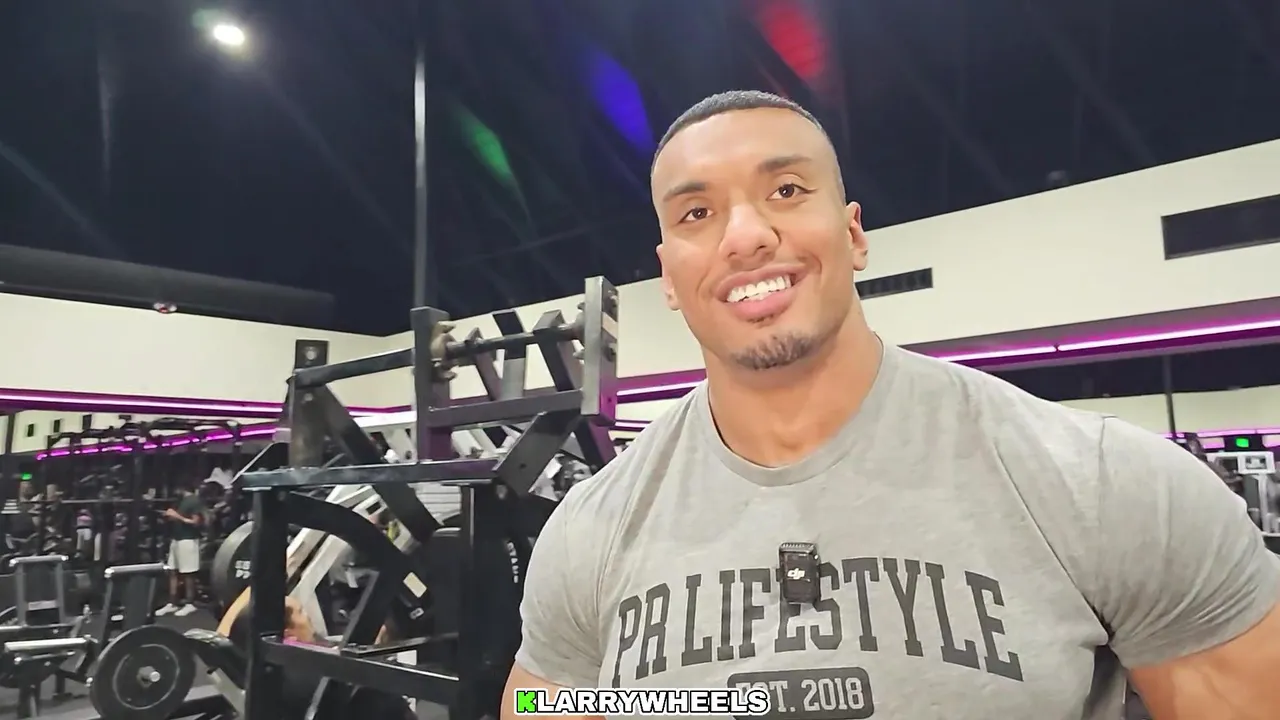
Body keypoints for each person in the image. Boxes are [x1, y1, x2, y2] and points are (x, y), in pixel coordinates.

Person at [503, 90, 1280, 719]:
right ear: (669, 276)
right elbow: (543, 703)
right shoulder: (589, 532)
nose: (745, 235)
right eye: (696, 214)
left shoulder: (1108, 485)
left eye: (786, 190)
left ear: (854, 235)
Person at [226, 595, 408, 720]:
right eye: (301, 612)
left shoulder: (264, 678)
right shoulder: (317, 675)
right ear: (288, 633)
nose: (308, 617)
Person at [157, 481, 206, 618]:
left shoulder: (194, 500)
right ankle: (172, 602)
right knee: (172, 571)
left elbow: (196, 522)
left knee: (188, 573)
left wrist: (177, 516)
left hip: (188, 540)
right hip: (176, 539)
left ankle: (190, 603)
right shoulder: (180, 501)